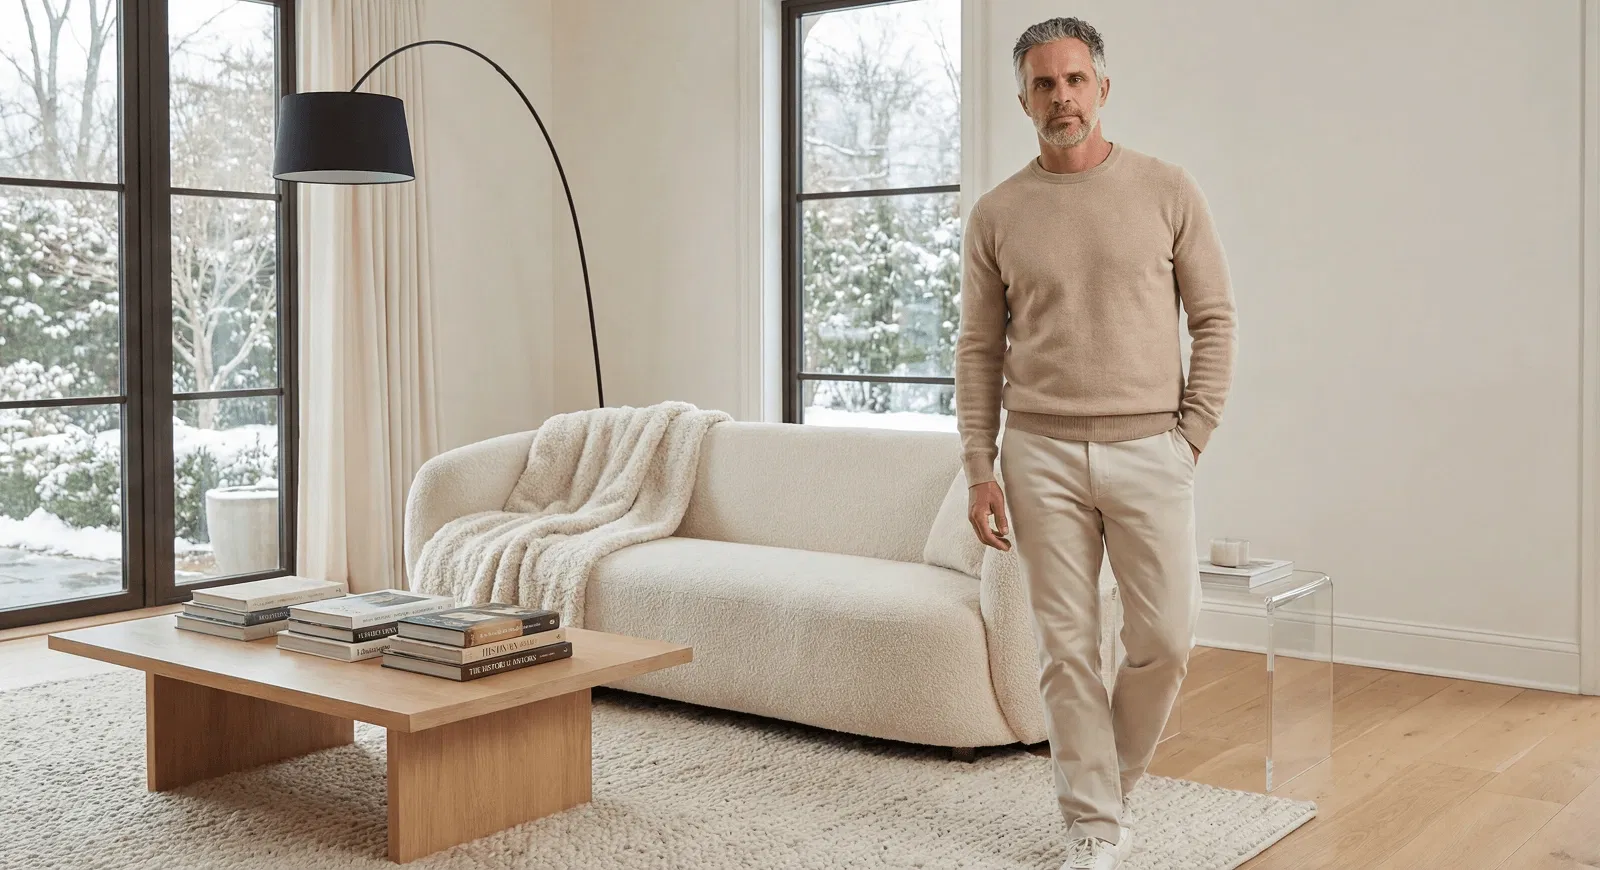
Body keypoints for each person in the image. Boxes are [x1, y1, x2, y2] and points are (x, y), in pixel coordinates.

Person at [953, 16, 1237, 870]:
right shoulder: (997, 213)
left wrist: (1191, 436)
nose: (1061, 97)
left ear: (1102, 89)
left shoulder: (1167, 189)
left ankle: (1109, 786)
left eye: (1075, 80)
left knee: (1167, 638)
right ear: (1023, 99)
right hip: (1037, 453)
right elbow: (977, 349)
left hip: (1153, 447)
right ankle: (1094, 828)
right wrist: (979, 465)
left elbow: (1215, 319)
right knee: (1066, 650)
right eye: (1044, 84)